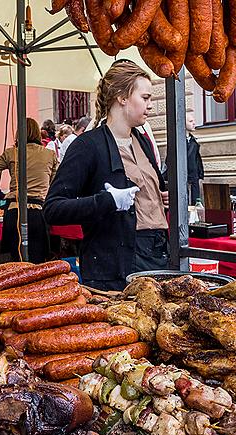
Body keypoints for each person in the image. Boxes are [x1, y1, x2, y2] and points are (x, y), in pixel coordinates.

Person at [45, 61, 169, 291]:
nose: (151, 105)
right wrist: (106, 201)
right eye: (145, 98)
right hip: (114, 263)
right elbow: (53, 209)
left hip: (157, 252)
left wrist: (158, 198)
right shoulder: (87, 146)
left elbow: (142, 192)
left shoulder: (142, 140)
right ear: (122, 98)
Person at [0, 118, 58, 263]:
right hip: (37, 213)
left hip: (14, 211)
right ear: (37, 133)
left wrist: (1, 195)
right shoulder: (49, 155)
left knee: (17, 262)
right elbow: (55, 183)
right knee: (38, 263)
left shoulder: (12, 153)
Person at [184, 114, 205, 205]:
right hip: (182, 174)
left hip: (193, 174)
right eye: (190, 121)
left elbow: (197, 158)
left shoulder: (193, 141)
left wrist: (199, 172)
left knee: (196, 200)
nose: (194, 123)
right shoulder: (178, 141)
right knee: (183, 199)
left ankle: (195, 217)